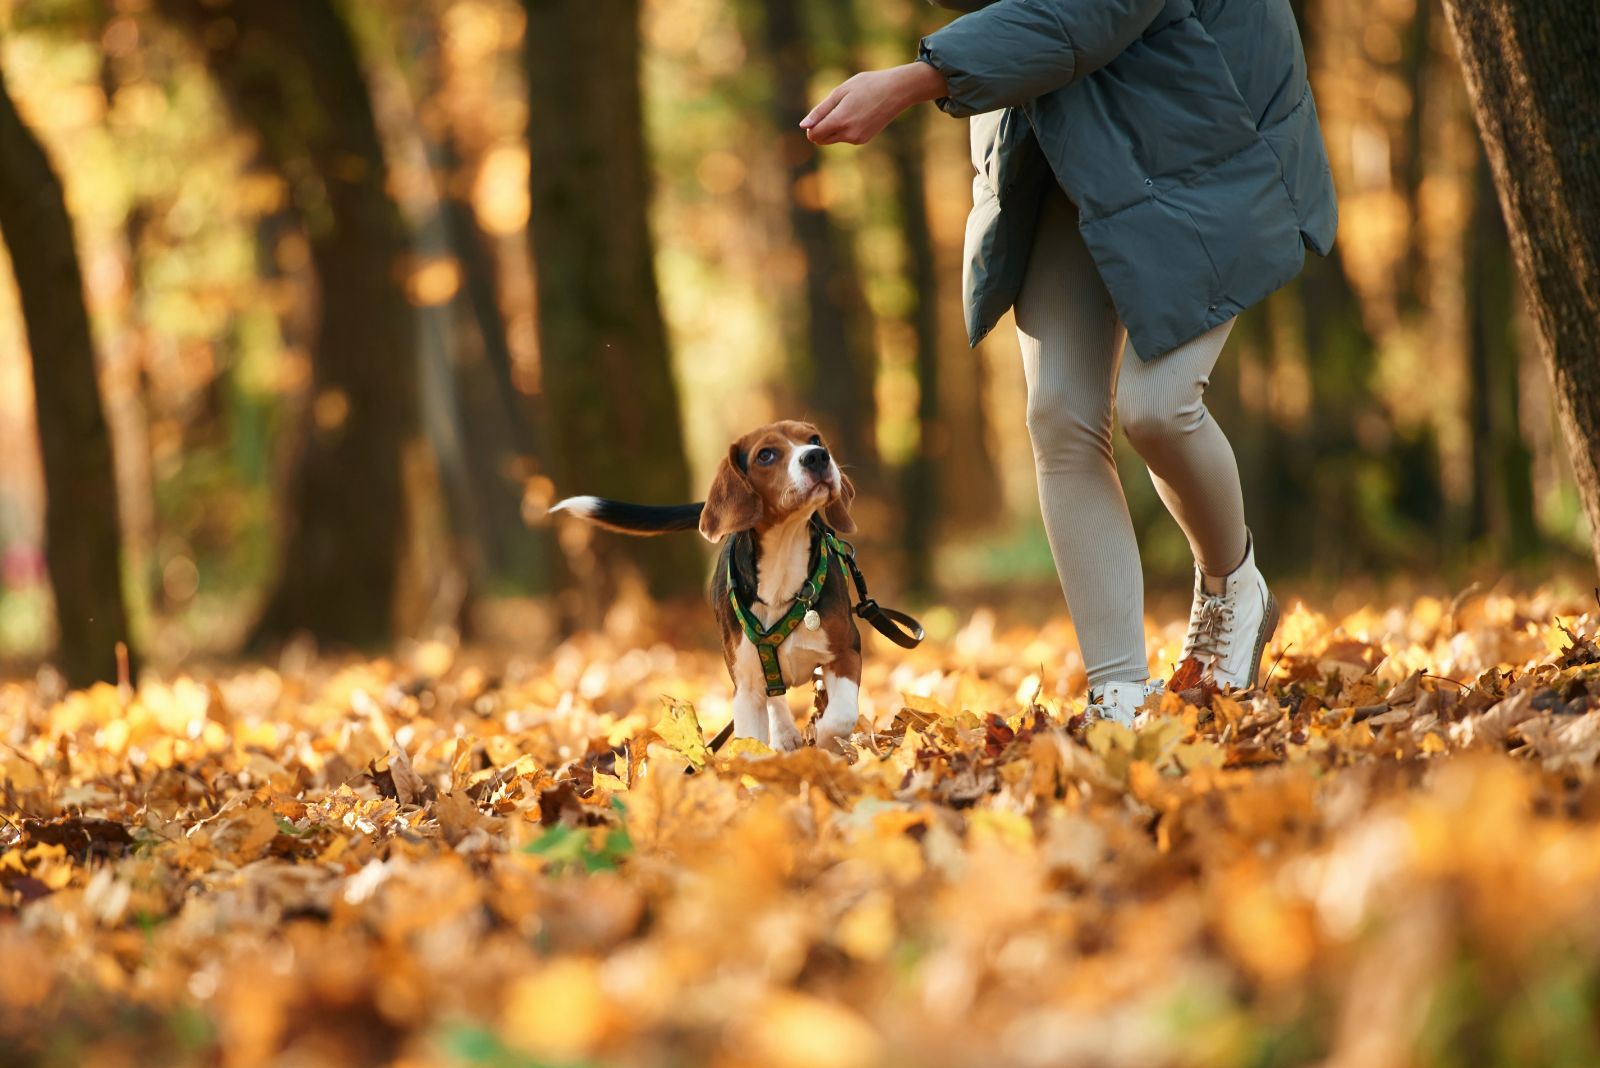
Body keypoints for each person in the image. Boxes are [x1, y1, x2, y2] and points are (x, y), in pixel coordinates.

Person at [801, 0, 1337, 724]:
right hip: (1064, 135)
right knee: (1058, 416)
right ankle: (1117, 691)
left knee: (1159, 409)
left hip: (1209, 144)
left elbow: (1084, 12)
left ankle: (1232, 585)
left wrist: (913, 79)